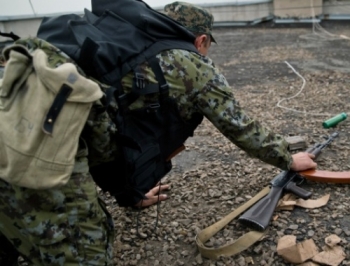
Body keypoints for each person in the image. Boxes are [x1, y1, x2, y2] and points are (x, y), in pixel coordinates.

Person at [0, 1, 317, 265]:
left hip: (14, 117)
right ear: (201, 40)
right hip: (38, 151)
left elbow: (109, 132)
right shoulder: (192, 65)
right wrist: (288, 158)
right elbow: (240, 126)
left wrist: (130, 194)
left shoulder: (125, 48)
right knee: (84, 250)